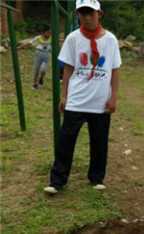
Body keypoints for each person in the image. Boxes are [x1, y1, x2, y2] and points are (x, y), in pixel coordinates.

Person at [44, 0, 121, 194]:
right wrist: (64, 96)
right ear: (77, 14)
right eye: (83, 13)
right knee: (65, 141)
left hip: (100, 102)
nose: (87, 18)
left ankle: (96, 177)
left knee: (99, 141)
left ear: (99, 14)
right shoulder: (73, 38)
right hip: (76, 100)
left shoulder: (110, 40)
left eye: (91, 13)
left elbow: (115, 69)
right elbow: (68, 68)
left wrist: (114, 97)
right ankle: (57, 180)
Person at [17, 25, 51, 90]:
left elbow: (58, 40)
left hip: (46, 54)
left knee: (43, 70)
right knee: (36, 69)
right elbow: (29, 43)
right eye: (48, 32)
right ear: (43, 32)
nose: (49, 34)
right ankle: (35, 84)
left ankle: (41, 78)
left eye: (50, 32)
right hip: (39, 54)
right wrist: (20, 47)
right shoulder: (38, 38)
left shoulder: (50, 38)